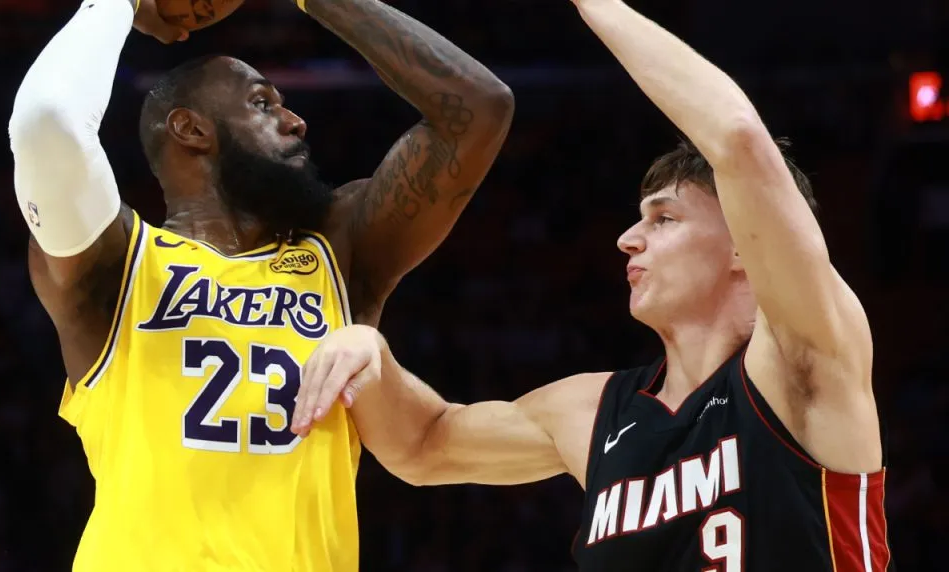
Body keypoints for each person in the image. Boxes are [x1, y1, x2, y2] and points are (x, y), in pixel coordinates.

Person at [291, 1, 896, 570]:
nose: (627, 239)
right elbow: (425, 445)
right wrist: (372, 354)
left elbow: (738, 139)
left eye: (664, 218)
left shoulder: (806, 363)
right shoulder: (593, 412)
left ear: (744, 242)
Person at [8, 0, 513, 569]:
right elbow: (47, 124)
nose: (295, 121)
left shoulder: (339, 252)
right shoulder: (115, 264)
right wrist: (117, 3)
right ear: (190, 129)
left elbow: (477, 108)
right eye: (261, 103)